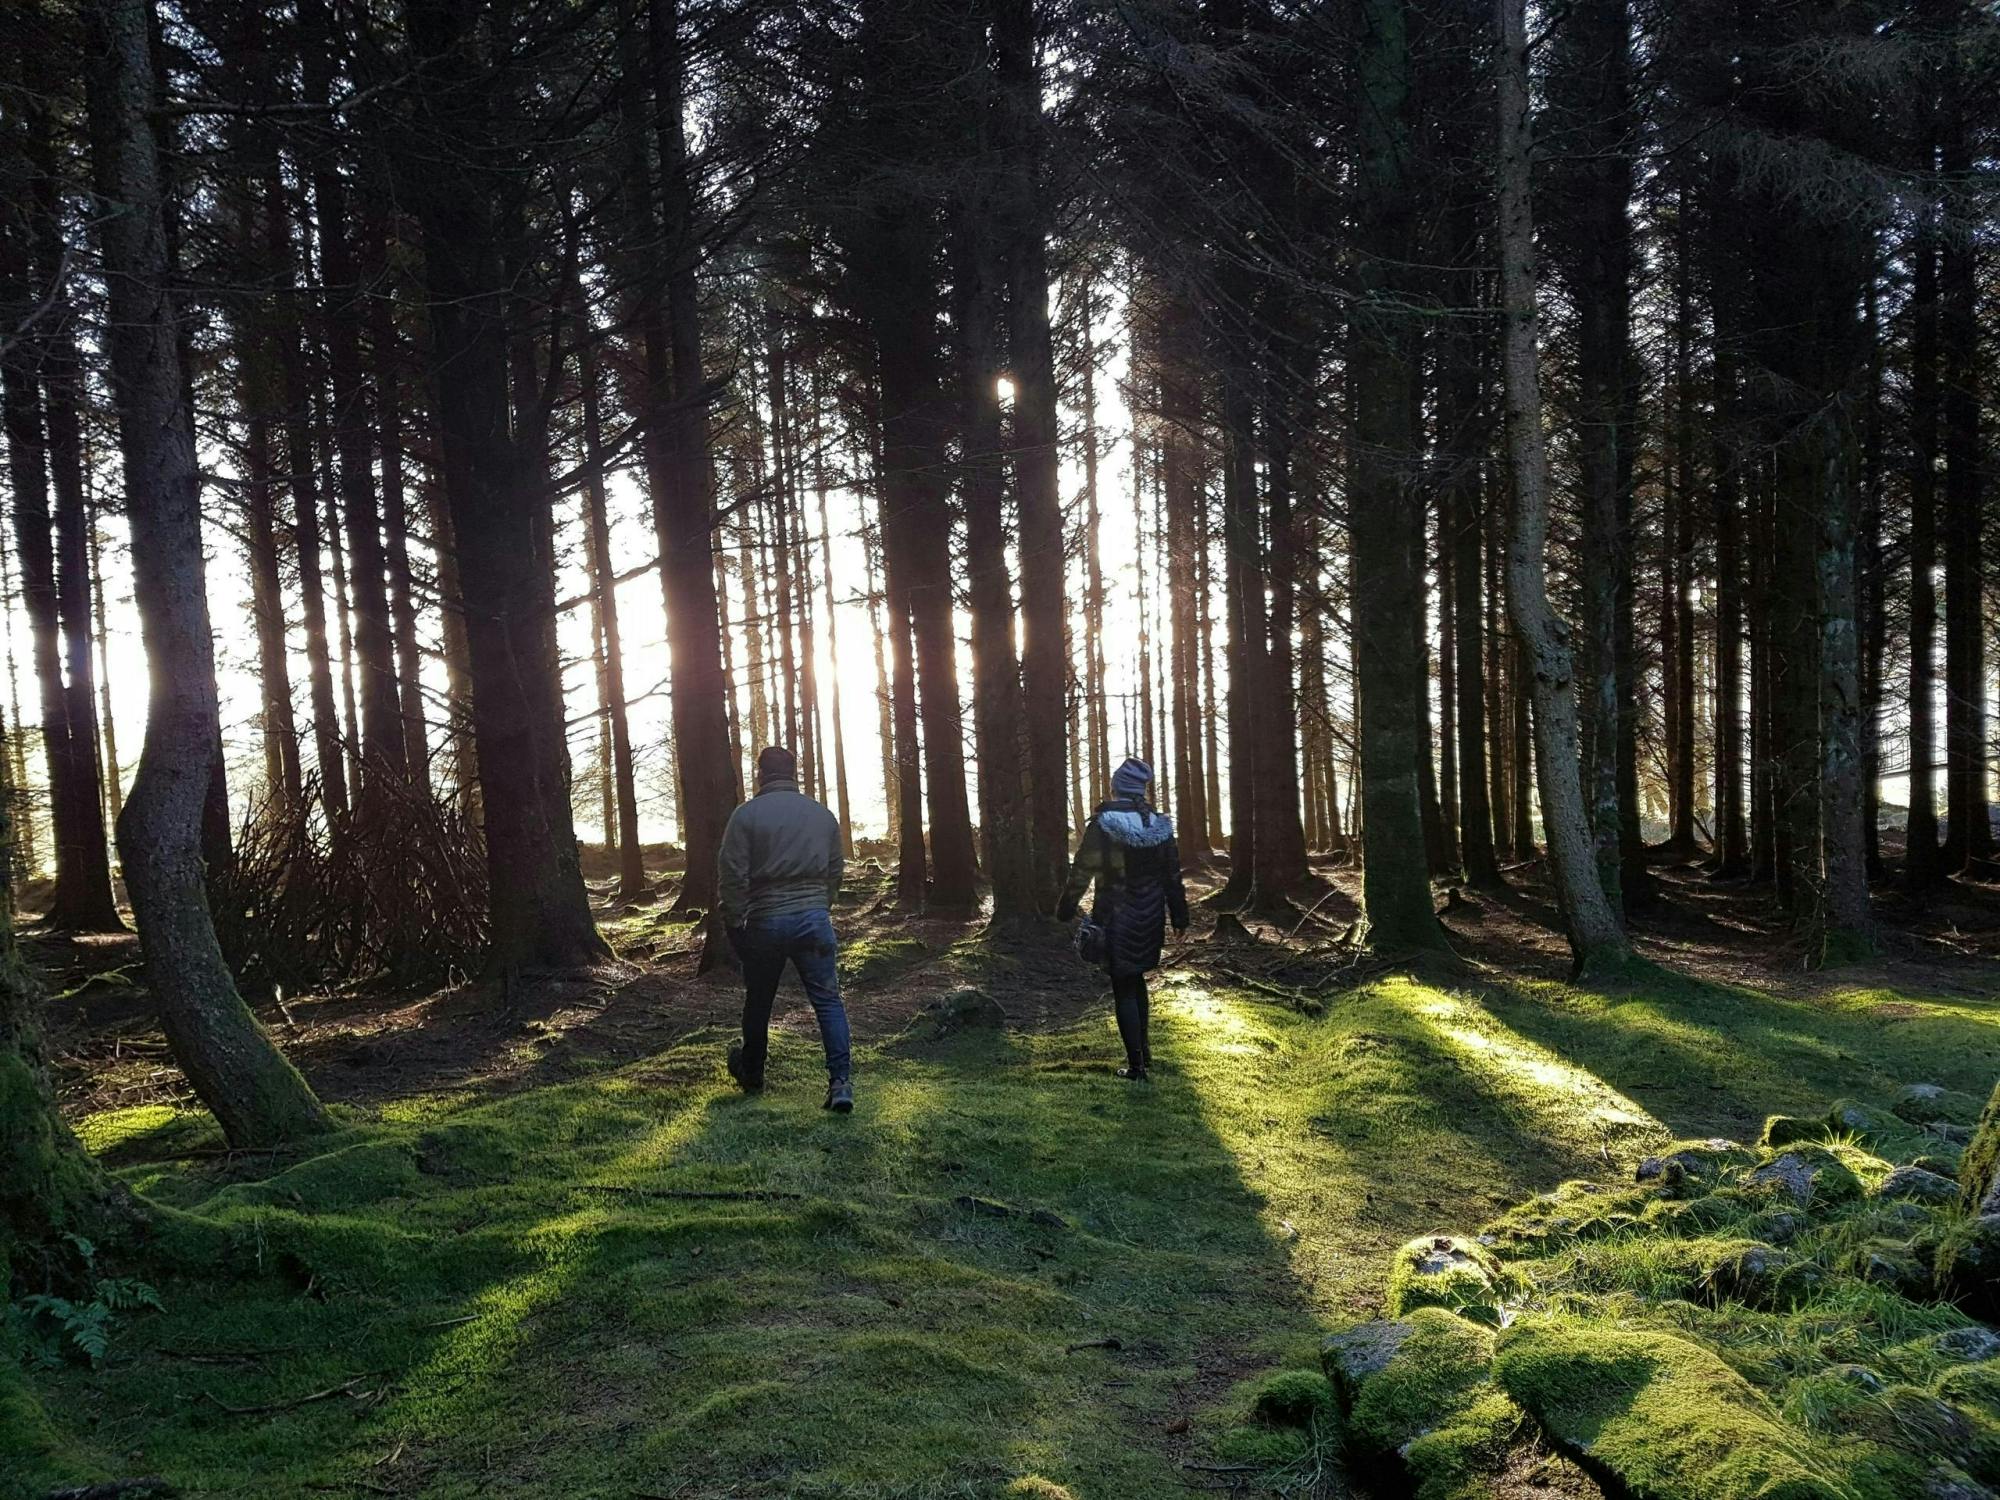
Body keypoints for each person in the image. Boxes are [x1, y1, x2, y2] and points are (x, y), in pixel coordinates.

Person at [717, 746, 853, 1111]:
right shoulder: (822, 815)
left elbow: (732, 874)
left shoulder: (746, 816)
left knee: (759, 1000)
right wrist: (820, 906)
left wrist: (734, 919)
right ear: (793, 773)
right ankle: (840, 1083)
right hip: (814, 918)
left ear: (761, 773)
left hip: (766, 920)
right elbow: (836, 870)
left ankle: (753, 1072)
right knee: (827, 1001)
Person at [1056, 757, 1189, 1081]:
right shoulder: (1159, 826)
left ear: (1116, 787)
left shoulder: (1103, 824)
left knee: (1124, 986)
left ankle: (1136, 1067)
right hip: (1151, 917)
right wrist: (1180, 917)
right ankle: (1144, 1053)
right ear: (1141, 790)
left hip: (1116, 918)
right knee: (1136, 978)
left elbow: (1082, 870)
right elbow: (1173, 876)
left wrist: (1066, 907)